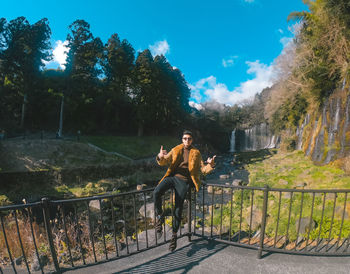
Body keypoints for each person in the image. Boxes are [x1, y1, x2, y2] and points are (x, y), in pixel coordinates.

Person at [154, 130, 216, 251]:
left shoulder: (196, 153)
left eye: (189, 139)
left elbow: (203, 170)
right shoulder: (176, 149)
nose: (187, 140)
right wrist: (160, 157)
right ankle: (159, 216)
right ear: (182, 139)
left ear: (192, 140)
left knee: (178, 208)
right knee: (156, 191)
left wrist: (211, 165)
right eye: (185, 138)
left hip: (184, 181)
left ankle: (174, 235)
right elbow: (164, 161)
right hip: (172, 177)